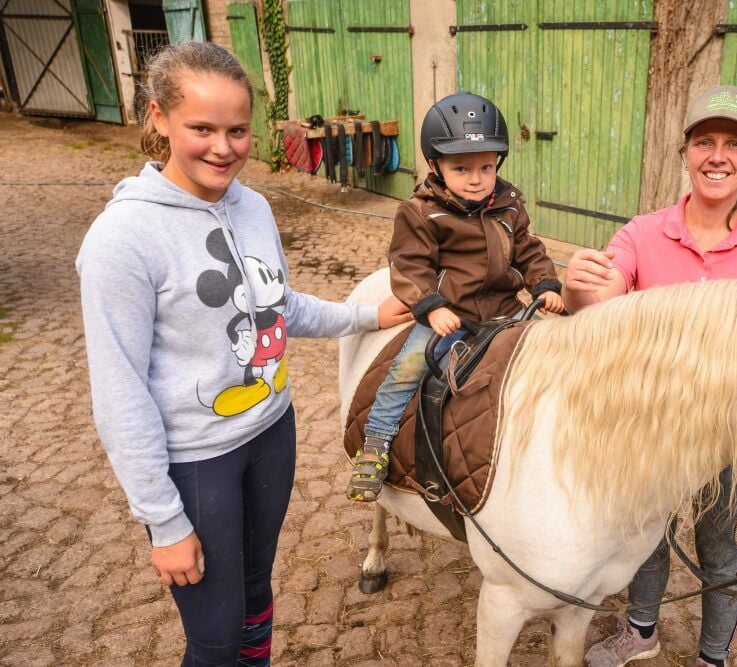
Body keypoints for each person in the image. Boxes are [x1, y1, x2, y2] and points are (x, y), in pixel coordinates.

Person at [75, 42, 410, 665]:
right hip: (199, 462)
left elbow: (277, 306)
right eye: (202, 129)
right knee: (216, 636)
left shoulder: (252, 206)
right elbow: (119, 394)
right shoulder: (122, 239)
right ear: (159, 117)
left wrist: (366, 316)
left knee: (257, 594)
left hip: (271, 434)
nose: (223, 148)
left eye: (237, 130)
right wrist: (164, 521)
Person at [564, 86, 737, 667]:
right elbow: (599, 302)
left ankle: (713, 656)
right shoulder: (643, 234)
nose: (718, 156)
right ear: (686, 152)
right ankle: (641, 630)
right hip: (651, 427)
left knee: (722, 554)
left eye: (734, 144)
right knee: (646, 541)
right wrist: (577, 289)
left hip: (730, 438)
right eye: (705, 142)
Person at [346, 92, 564, 502]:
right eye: (461, 168)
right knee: (408, 368)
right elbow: (409, 265)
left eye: (486, 167)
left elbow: (529, 251)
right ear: (435, 166)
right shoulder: (420, 212)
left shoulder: (509, 205)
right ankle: (376, 441)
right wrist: (431, 307)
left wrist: (545, 285)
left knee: (559, 357)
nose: (476, 178)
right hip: (451, 315)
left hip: (506, 310)